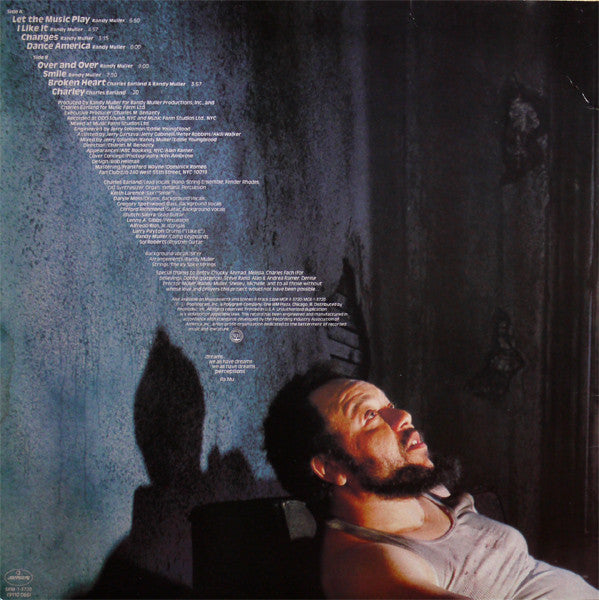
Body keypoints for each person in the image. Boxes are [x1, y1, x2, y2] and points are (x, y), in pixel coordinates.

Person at [263, 365, 599, 599]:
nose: (402, 417)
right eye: (370, 416)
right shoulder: (366, 564)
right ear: (330, 467)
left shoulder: (421, 490)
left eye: (390, 405)